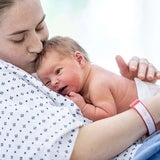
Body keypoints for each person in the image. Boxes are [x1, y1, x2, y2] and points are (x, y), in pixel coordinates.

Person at [1, 0, 160, 160]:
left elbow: (107, 113)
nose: (38, 46)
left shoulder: (93, 81)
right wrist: (153, 106)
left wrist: (136, 87)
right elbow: (72, 149)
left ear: (79, 59)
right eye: (19, 39)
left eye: (40, 26)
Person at [36, 36, 160, 121]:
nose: (54, 82)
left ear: (79, 59)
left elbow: (108, 115)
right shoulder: (91, 76)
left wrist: (83, 107)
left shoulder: (97, 84)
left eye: (58, 71)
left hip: (153, 105)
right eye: (47, 82)